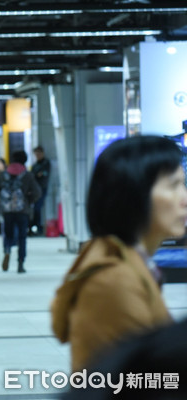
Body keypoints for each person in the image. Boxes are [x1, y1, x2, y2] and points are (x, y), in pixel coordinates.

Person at [51, 135, 186, 372]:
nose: (184, 198)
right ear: (133, 193)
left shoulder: (127, 262)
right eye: (173, 185)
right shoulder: (114, 281)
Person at [0, 150, 41, 273]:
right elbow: (37, 192)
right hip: (22, 210)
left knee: (8, 234)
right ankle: (20, 263)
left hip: (7, 210)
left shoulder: (3, 174)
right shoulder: (27, 175)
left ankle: (7, 250)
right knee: (22, 237)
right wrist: (28, 200)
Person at [30, 145, 51, 235]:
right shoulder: (35, 165)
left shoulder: (46, 163)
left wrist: (38, 174)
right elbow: (33, 175)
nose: (37, 155)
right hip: (35, 189)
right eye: (36, 154)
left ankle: (38, 226)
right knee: (35, 208)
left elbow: (41, 174)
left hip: (42, 188)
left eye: (39, 153)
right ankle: (35, 226)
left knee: (37, 208)